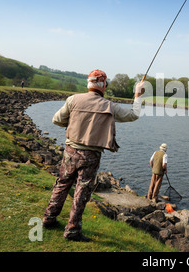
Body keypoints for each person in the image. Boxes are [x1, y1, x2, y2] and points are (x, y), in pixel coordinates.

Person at [42, 69, 144, 242]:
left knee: (62, 184)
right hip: (91, 156)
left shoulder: (72, 99)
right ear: (103, 85)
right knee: (81, 192)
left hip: (70, 151)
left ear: (88, 84)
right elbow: (134, 114)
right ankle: (72, 230)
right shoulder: (109, 106)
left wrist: (76, 121)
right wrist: (138, 95)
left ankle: (49, 218)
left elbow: (56, 120)